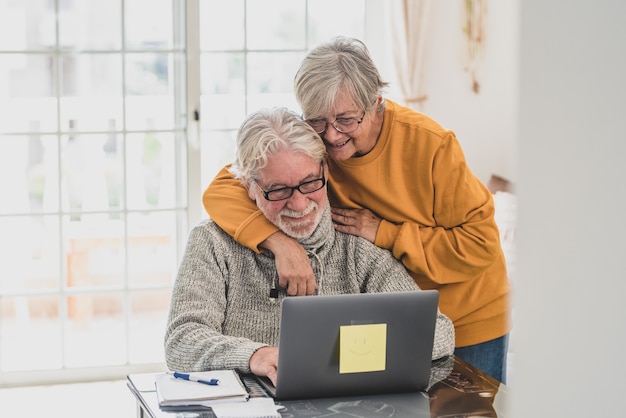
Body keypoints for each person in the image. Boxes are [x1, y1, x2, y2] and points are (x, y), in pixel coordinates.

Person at [202, 37, 511, 383]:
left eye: (346, 120)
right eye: (318, 121)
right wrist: (278, 242)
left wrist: (384, 232)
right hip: (398, 317)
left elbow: (481, 244)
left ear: (376, 103)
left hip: (469, 316)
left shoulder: (431, 145)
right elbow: (224, 188)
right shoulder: (313, 143)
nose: (331, 136)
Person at [165, 108, 455, 385]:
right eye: (278, 190)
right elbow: (181, 341)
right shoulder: (212, 241)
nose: (299, 204)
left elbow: (439, 332)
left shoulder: (356, 248)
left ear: (325, 172)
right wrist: (256, 355)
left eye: (310, 183)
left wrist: (336, 355)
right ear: (249, 186)